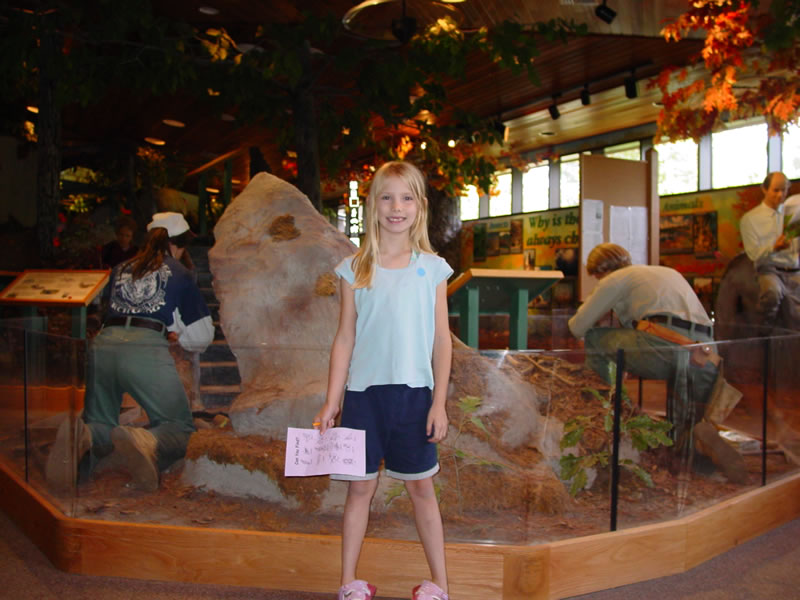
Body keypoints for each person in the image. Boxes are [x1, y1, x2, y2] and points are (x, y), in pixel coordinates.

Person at [314, 161, 452, 600]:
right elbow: (344, 338)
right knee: (359, 489)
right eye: (387, 198)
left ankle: (440, 585)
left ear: (420, 206)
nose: (397, 207)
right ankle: (348, 583)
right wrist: (332, 401)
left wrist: (439, 403)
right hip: (362, 398)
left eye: (406, 198)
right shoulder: (354, 268)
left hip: (414, 397)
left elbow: (442, 341)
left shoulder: (433, 269)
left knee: (421, 488)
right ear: (373, 205)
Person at [46, 212, 214, 492]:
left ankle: (84, 434)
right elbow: (202, 337)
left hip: (104, 344)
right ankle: (144, 440)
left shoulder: (121, 268)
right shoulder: (180, 273)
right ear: (177, 244)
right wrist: (180, 334)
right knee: (180, 427)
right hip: (144, 348)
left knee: (100, 421)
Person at [567, 243, 747, 483]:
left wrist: (598, 301)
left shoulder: (616, 278)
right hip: (705, 352)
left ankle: (605, 409)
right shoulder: (664, 272)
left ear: (601, 271)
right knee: (683, 418)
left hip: (667, 347)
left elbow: (577, 326)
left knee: (596, 340)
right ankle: (694, 453)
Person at [739, 171, 800, 326]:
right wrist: (773, 247)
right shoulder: (750, 219)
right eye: (776, 190)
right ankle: (764, 328)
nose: (780, 195)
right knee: (772, 293)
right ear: (764, 189)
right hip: (769, 270)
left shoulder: (792, 213)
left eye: (784, 190)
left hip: (794, 269)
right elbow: (753, 254)